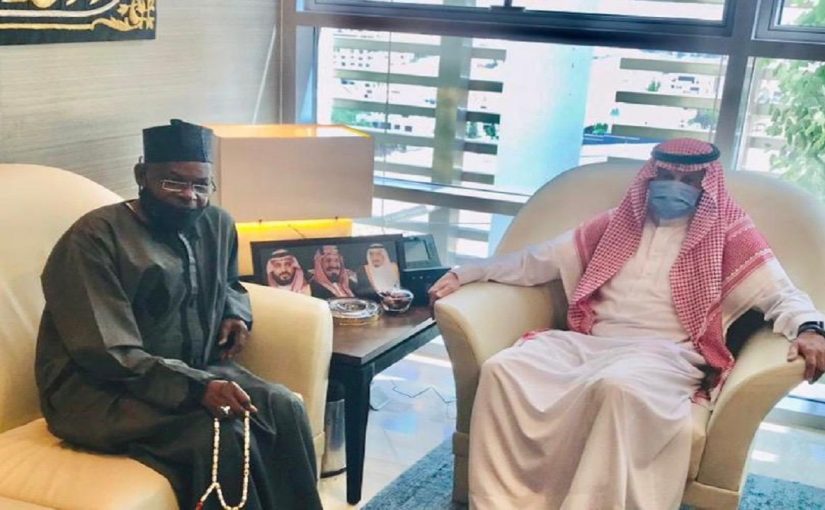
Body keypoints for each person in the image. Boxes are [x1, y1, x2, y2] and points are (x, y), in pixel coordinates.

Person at [429, 138, 825, 510]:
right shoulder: (615, 225)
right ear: (651, 176)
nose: (674, 186)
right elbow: (536, 260)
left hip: (666, 354)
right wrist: (468, 272)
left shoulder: (729, 236)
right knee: (504, 369)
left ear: (706, 185)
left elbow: (781, 294)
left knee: (618, 388)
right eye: (666, 175)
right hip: (590, 341)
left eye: (687, 180)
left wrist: (810, 328)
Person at [35, 119, 323, 510]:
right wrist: (198, 388)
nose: (189, 196)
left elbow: (230, 283)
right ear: (142, 175)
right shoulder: (94, 239)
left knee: (283, 406)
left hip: (192, 371)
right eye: (174, 182)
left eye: (201, 185)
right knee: (223, 435)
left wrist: (235, 313)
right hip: (99, 393)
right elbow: (106, 352)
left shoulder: (217, 224)